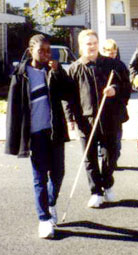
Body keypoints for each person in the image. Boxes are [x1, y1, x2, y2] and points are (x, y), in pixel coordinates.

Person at [5, 34, 72, 239]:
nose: (45, 54)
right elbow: (14, 109)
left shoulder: (52, 71)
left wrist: (58, 72)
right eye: (41, 50)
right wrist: (16, 140)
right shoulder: (21, 74)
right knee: (39, 178)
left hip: (54, 132)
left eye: (48, 50)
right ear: (30, 50)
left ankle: (50, 204)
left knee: (58, 173)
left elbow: (69, 93)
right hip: (35, 135)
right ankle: (44, 219)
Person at [67, 30, 129, 208]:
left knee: (112, 153)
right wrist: (69, 117)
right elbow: (68, 97)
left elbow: (126, 86)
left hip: (110, 117)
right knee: (90, 158)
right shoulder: (74, 68)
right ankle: (95, 191)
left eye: (94, 42)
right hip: (86, 120)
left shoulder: (114, 65)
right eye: (88, 43)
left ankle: (107, 183)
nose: (92, 46)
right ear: (81, 46)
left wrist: (115, 90)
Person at [102, 39, 132, 162]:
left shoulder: (120, 66)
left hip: (116, 107)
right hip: (102, 107)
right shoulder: (99, 65)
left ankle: (114, 158)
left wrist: (123, 100)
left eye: (114, 52)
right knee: (103, 137)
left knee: (116, 136)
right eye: (109, 52)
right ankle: (103, 158)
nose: (112, 55)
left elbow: (126, 86)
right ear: (103, 51)